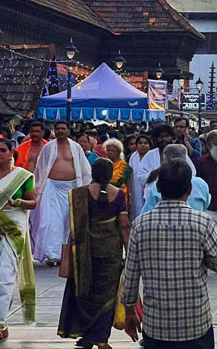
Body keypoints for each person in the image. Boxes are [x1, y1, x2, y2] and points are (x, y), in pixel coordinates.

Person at [121, 160, 217, 348]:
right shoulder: (202, 222)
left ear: (159, 187)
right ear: (189, 189)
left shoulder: (140, 225)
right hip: (195, 323)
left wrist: (129, 311)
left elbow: (130, 275)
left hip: (156, 325)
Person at [58, 158, 130, 349]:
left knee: (86, 294)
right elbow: (123, 225)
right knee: (107, 297)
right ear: (110, 174)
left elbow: (73, 228)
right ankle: (101, 338)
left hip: (84, 253)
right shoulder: (119, 195)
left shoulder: (80, 194)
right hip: (111, 253)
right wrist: (129, 250)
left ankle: (87, 335)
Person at [31, 121, 93, 265]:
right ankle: (52, 255)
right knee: (50, 222)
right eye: (57, 129)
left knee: (67, 222)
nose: (60, 131)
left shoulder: (76, 147)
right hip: (51, 187)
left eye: (63, 128)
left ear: (68, 131)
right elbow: (40, 169)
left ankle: (66, 254)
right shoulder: (48, 148)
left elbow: (85, 169)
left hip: (71, 188)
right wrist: (37, 188)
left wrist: (84, 187)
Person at [0, 138, 37, 341]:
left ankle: (0, 322)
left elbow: (33, 202)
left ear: (11, 152)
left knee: (5, 277)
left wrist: (22, 202)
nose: (0, 153)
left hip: (13, 230)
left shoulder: (23, 177)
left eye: (3, 150)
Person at [141, 145, 211, 214]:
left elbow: (147, 211)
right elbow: (206, 204)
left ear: (164, 159)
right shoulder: (201, 184)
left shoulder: (156, 185)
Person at [127, 134, 152, 221]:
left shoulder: (152, 156)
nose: (143, 145)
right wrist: (129, 195)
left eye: (146, 143)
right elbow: (129, 176)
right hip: (135, 190)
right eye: (140, 143)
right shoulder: (133, 157)